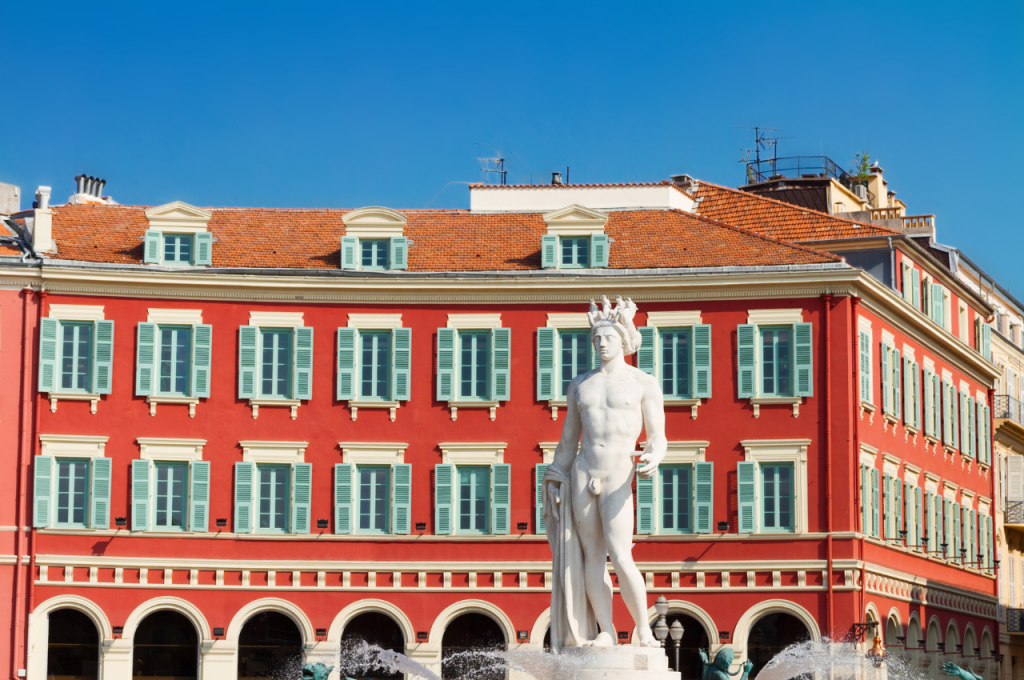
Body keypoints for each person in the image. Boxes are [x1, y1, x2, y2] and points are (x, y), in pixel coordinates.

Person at [543, 296, 667, 650]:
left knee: (621, 554)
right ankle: (606, 630)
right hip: (584, 471)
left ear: (623, 340)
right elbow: (569, 440)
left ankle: (643, 630)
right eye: (596, 338)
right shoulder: (580, 384)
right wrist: (556, 476)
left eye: (608, 337)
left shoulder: (643, 383)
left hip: (618, 472)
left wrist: (655, 455)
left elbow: (657, 436)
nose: (601, 343)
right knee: (591, 556)